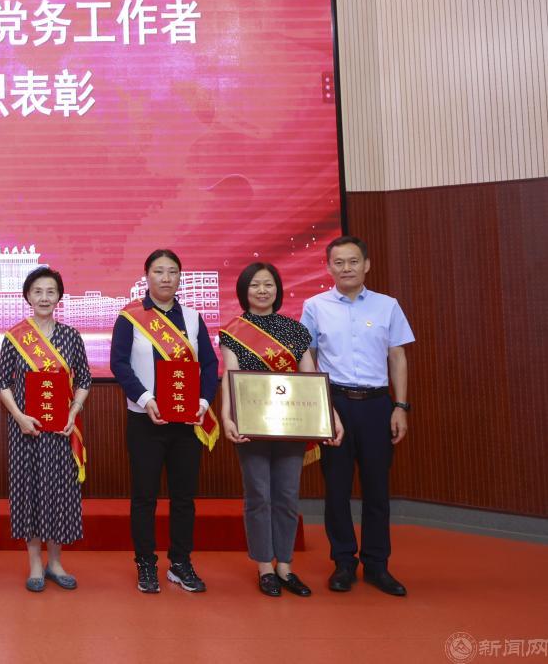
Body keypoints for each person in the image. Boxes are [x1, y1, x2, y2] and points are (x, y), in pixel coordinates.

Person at [219, 262, 344, 597]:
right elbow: (229, 377)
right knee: (258, 496)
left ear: (277, 289)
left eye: (268, 284)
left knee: (287, 495)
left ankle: (285, 566)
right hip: (251, 427)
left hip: (291, 425)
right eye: (255, 285)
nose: (262, 290)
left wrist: (330, 414)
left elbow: (310, 377)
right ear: (244, 291)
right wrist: (227, 417)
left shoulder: (295, 330)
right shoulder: (233, 331)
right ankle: (264, 566)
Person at [302, 235, 414, 596]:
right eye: (338, 262)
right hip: (335, 405)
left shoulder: (387, 306)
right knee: (336, 489)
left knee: (377, 489)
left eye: (353, 261)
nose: (346, 268)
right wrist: (323, 407)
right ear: (328, 267)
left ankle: (377, 564)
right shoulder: (315, 306)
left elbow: (397, 357)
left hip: (378, 405)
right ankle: (344, 562)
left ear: (366, 264)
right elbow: (308, 359)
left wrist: (400, 407)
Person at [110, 249, 219, 594]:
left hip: (186, 423)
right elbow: (119, 364)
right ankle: (145, 563)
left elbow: (210, 365)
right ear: (147, 276)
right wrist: (146, 399)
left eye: (173, 271)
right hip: (145, 420)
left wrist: (203, 402)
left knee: (184, 497)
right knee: (144, 496)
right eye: (159, 271)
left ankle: (180, 562)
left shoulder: (193, 317)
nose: (166, 278)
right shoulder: (130, 317)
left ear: (180, 277)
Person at [0, 266, 92, 592]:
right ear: (27, 296)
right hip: (27, 431)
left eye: (51, 291)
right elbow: (2, 383)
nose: (44, 297)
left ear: (59, 296)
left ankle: (56, 562)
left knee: (59, 492)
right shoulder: (14, 337)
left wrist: (73, 411)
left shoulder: (71, 336)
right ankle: (35, 564)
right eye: (38, 291)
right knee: (30, 493)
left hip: (61, 431)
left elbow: (84, 380)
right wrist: (19, 416)